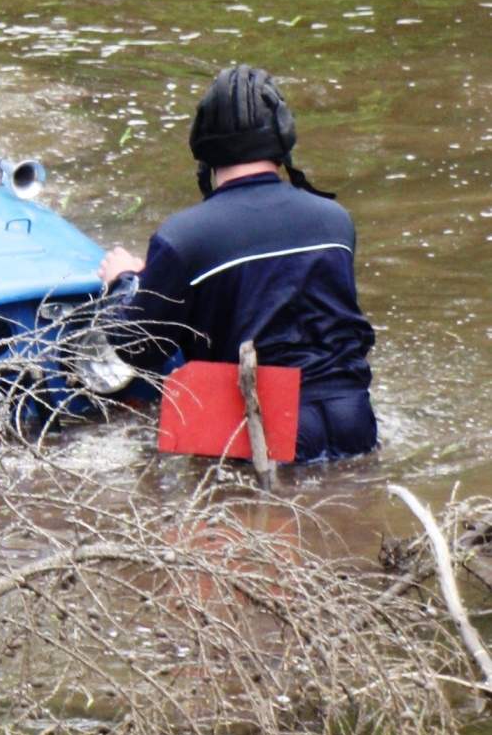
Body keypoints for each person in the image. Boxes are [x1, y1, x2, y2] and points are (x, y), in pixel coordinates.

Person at [100, 63, 377, 463]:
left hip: (261, 432)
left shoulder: (185, 238)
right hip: (355, 422)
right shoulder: (336, 223)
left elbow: (138, 346)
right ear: (283, 137)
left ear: (204, 148)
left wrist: (124, 281)